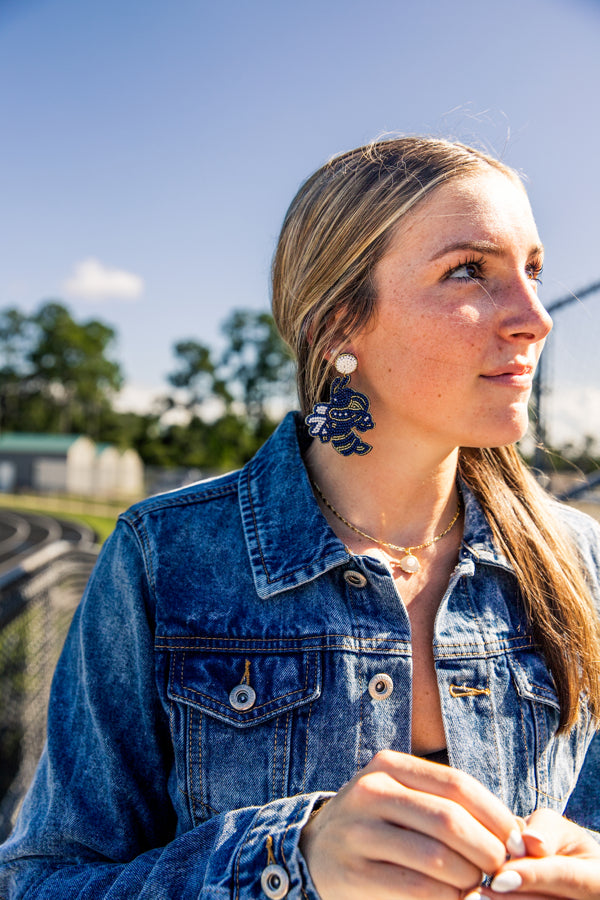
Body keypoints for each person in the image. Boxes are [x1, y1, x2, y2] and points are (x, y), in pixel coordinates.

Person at [1, 136, 600, 900]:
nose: (536, 317)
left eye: (534, 271)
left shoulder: (579, 563)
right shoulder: (166, 560)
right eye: (469, 272)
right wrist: (292, 858)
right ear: (338, 324)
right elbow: (43, 884)